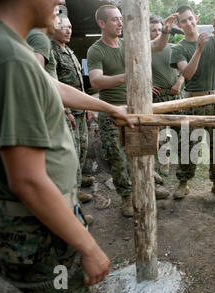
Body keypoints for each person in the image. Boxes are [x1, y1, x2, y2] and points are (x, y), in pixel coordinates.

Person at [0, 0, 133, 293]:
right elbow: (28, 180)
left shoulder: (6, 45)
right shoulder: (10, 57)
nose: (61, 2)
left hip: (32, 223)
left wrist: (109, 108)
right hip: (37, 232)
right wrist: (88, 247)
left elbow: (51, 85)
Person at [87, 5, 177, 216]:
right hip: (112, 113)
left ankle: (148, 189)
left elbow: (156, 45)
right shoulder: (96, 50)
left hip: (136, 109)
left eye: (121, 19)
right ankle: (127, 198)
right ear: (102, 23)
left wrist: (165, 31)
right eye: (115, 20)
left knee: (144, 152)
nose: (120, 23)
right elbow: (96, 81)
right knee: (118, 159)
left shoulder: (128, 44)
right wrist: (126, 76)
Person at [170, 5, 215, 200]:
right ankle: (184, 182)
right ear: (179, 24)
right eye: (184, 21)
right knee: (188, 145)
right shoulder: (179, 48)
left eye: (191, 18)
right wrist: (198, 50)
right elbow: (188, 74)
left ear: (196, 18)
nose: (189, 23)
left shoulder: (213, 39)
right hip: (192, 100)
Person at [52, 14, 95, 203]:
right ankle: (72, 196)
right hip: (67, 113)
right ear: (52, 28)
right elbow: (54, 85)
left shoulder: (68, 50)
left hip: (80, 111)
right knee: (72, 153)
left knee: (82, 150)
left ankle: (77, 185)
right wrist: (66, 111)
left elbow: (80, 83)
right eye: (63, 27)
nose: (68, 30)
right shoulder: (51, 52)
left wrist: (86, 106)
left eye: (70, 27)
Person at [150, 15, 185, 178]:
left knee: (182, 131)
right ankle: (164, 163)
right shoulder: (145, 50)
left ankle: (184, 163)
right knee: (162, 134)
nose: (157, 33)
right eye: (153, 30)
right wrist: (147, 86)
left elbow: (185, 71)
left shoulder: (173, 48)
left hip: (175, 95)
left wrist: (179, 83)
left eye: (159, 29)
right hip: (157, 98)